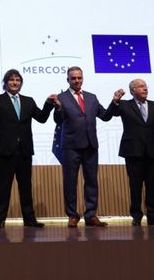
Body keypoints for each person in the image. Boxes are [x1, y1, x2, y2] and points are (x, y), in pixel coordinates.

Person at [52, 66, 125, 228]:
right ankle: (72, 215)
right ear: (68, 80)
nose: (77, 81)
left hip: (90, 145)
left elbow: (105, 116)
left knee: (91, 181)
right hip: (71, 146)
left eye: (79, 78)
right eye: (73, 78)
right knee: (70, 182)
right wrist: (58, 106)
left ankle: (91, 214)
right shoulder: (61, 98)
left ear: (82, 78)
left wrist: (115, 102)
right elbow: (58, 120)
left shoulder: (92, 97)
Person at [0, 69, 55, 229]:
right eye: (11, 80)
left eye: (17, 80)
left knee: (25, 187)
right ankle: (0, 219)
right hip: (4, 151)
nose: (15, 82)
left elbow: (41, 118)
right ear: (5, 83)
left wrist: (48, 104)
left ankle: (29, 219)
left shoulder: (28, 101)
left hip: (24, 151)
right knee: (3, 187)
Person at [112, 78, 154, 226]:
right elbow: (108, 115)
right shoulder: (124, 105)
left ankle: (153, 216)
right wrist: (115, 101)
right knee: (135, 185)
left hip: (153, 151)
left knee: (152, 186)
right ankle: (136, 216)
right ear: (132, 91)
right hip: (133, 151)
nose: (145, 88)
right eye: (140, 86)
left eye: (145, 86)